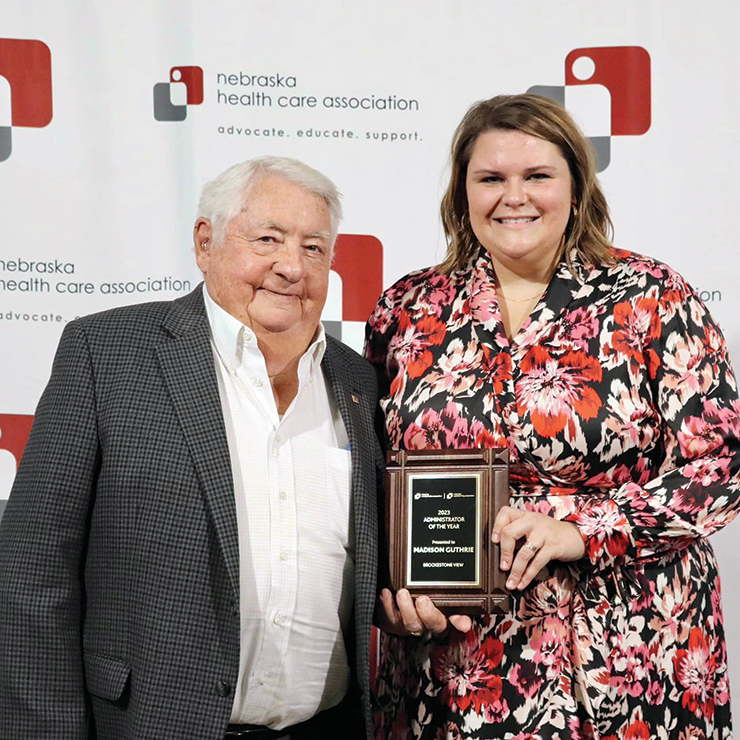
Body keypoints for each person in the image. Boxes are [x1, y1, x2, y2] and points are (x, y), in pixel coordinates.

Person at [366, 95, 740, 739]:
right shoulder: (407, 306)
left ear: (575, 186)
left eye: (537, 175)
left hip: (628, 648)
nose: (514, 197)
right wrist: (387, 593)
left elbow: (723, 464)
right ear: (461, 192)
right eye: (491, 178)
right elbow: (370, 473)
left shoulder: (651, 296)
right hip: (454, 659)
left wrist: (583, 530)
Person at [0, 156, 384, 740]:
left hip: (326, 727)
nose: (291, 267)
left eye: (314, 248)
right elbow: (32, 571)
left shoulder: (358, 381)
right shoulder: (108, 352)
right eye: (268, 239)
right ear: (206, 243)